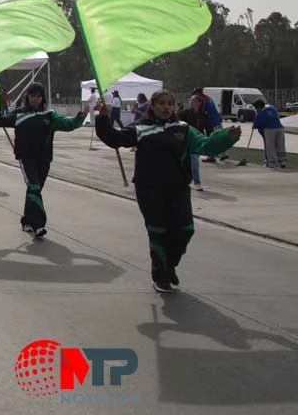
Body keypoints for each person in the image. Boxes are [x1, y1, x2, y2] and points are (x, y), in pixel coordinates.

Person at [95, 91, 240, 293]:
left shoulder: (183, 129)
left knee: (185, 230)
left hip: (178, 189)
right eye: (162, 103)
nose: (166, 108)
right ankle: (160, 276)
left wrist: (226, 137)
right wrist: (102, 118)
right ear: (152, 106)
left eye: (170, 104)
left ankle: (168, 264)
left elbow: (206, 145)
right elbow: (114, 138)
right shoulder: (140, 129)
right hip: (149, 189)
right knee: (158, 232)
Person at [0, 83, 86, 237]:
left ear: (42, 98)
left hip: (44, 159)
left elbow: (68, 124)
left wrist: (81, 116)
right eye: (33, 96)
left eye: (39, 96)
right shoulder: (19, 115)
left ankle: (27, 221)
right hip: (26, 158)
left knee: (34, 190)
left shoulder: (49, 116)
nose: (36, 99)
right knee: (34, 187)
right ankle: (38, 225)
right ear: (28, 97)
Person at [179, 95, 208, 191]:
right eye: (191, 100)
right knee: (185, 162)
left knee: (194, 162)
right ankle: (185, 180)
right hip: (186, 140)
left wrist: (208, 138)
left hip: (197, 141)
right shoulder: (186, 113)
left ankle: (197, 182)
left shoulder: (203, 114)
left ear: (199, 103)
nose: (191, 102)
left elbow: (208, 127)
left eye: (194, 101)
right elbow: (178, 121)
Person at [252, 99, 287, 169]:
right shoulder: (272, 108)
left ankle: (271, 163)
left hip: (270, 129)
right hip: (280, 128)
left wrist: (254, 125)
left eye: (256, 108)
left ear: (258, 107)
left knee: (270, 146)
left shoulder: (262, 112)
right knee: (280, 145)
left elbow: (257, 123)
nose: (256, 109)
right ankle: (282, 161)